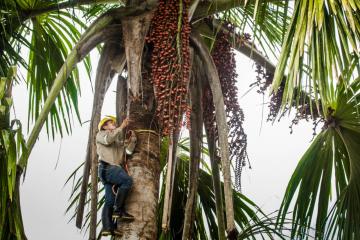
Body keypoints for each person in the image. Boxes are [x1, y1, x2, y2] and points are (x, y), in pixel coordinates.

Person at [96, 115, 137, 236]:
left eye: (114, 123)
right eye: (111, 123)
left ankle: (108, 228)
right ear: (104, 126)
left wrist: (133, 140)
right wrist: (121, 127)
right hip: (107, 168)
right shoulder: (101, 135)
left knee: (109, 201)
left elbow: (128, 152)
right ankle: (118, 210)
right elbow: (108, 140)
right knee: (127, 181)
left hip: (109, 171)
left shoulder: (117, 143)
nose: (114, 124)